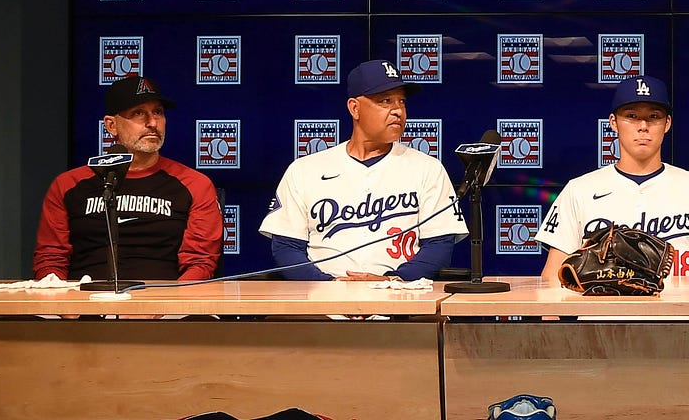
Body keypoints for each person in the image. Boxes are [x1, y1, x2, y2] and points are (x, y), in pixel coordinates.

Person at [259, 59, 467, 280]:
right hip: (323, 301)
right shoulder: (304, 170)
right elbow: (286, 247)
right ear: (354, 108)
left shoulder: (428, 169)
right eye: (385, 101)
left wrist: (391, 282)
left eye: (402, 102)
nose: (398, 111)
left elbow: (439, 245)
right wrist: (328, 287)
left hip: (402, 301)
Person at [537, 75, 689, 280]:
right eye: (632, 116)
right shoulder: (579, 190)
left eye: (653, 116)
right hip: (600, 312)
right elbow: (553, 275)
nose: (643, 125)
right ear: (613, 123)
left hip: (678, 311)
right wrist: (550, 312)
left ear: (667, 123)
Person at [33, 76, 222, 281]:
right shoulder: (68, 184)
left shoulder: (194, 184)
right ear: (111, 125)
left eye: (157, 112)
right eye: (138, 113)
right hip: (81, 304)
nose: (152, 123)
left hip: (168, 305)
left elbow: (200, 263)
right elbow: (51, 259)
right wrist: (66, 308)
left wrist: (165, 308)